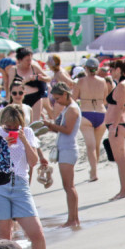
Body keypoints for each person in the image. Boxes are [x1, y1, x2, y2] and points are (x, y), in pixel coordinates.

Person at [0, 106, 52, 249]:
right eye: (9, 127)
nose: (12, 130)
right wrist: (2, 145)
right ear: (3, 123)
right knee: (4, 237)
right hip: (0, 186)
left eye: (15, 127)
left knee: (36, 232)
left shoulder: (27, 133)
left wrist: (23, 140)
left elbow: (33, 162)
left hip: (21, 186)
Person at [40, 82, 81, 227]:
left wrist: (50, 125)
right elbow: (62, 129)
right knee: (68, 186)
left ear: (65, 94)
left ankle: (72, 219)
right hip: (65, 149)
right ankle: (73, 218)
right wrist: (49, 126)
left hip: (68, 150)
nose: (57, 102)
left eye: (58, 99)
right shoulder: (69, 108)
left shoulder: (72, 109)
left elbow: (67, 130)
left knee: (69, 186)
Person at [73, 57, 108, 182]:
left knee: (90, 146)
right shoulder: (103, 81)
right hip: (101, 113)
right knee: (96, 145)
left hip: (86, 113)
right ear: (97, 69)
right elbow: (105, 100)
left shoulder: (80, 81)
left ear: (86, 68)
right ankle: (94, 169)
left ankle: (93, 172)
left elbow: (73, 99)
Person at [105, 58, 125, 201]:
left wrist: (114, 126)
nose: (110, 72)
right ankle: (124, 189)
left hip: (118, 125)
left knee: (121, 160)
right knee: (120, 160)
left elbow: (120, 107)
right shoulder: (123, 84)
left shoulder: (122, 85)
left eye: (111, 69)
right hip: (118, 125)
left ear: (118, 70)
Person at [11, 47, 50, 123]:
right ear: (20, 60)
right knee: (19, 121)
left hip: (35, 98)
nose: (29, 62)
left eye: (30, 59)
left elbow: (48, 78)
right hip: (18, 97)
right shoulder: (13, 70)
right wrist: (25, 81)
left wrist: (38, 77)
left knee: (34, 123)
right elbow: (10, 86)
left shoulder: (34, 67)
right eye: (27, 60)